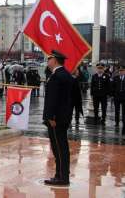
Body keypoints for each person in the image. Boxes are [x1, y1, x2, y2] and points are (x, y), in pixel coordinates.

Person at [43, 50, 73, 186]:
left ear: (54, 60)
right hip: (63, 117)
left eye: (49, 58)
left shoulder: (57, 76)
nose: (48, 60)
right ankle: (61, 175)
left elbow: (53, 99)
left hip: (56, 119)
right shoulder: (65, 74)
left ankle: (61, 177)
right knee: (62, 147)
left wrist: (51, 117)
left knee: (59, 148)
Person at [112, 65, 125, 131]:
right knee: (117, 110)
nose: (121, 72)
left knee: (123, 111)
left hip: (124, 97)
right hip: (117, 97)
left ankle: (123, 122)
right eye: (120, 70)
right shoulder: (116, 78)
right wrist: (113, 95)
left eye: (122, 70)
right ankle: (116, 122)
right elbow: (113, 87)